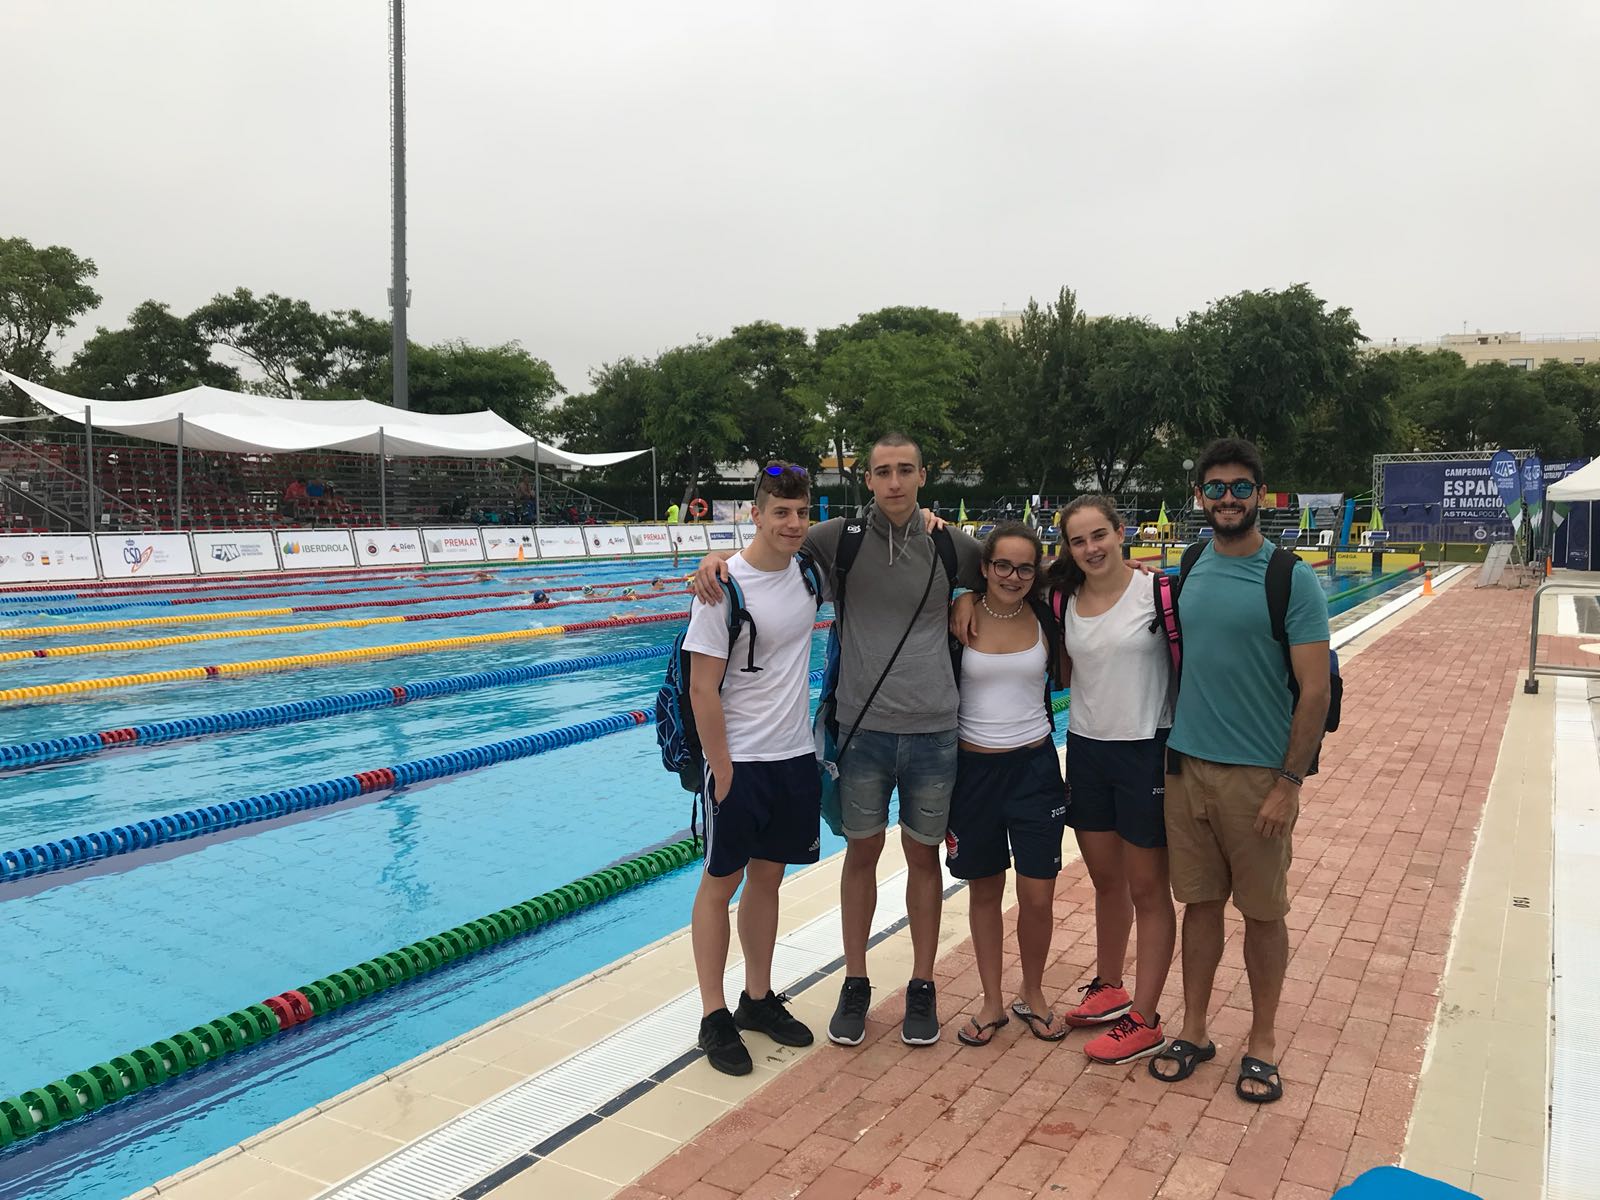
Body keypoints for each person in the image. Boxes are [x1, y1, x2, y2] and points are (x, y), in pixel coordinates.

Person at [692, 433, 984, 1047]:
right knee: (859, 855)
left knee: (922, 857)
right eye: (883, 471)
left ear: (923, 475)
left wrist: (969, 593)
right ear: (867, 480)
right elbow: (761, 555)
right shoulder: (836, 540)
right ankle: (853, 984)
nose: (895, 481)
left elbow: (1012, 567)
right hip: (857, 733)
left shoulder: (949, 541)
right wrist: (711, 560)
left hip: (929, 731)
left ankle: (921, 985)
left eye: (906, 470)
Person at [1150, 438, 1331, 1104]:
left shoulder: (1290, 577)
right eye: (1216, 488)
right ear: (1199, 496)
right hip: (1187, 768)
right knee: (1199, 906)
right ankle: (1194, 1029)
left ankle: (1263, 1041)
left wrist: (1289, 783)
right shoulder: (1190, 564)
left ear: (1260, 494)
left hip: (1258, 778)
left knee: (1262, 913)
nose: (1228, 499)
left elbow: (1315, 692)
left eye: (1240, 487)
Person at [684, 462, 821, 1075]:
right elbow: (701, 687)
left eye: (801, 512)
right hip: (740, 764)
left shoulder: (810, 572)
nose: (792, 523)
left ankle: (757, 999)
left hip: (794, 757)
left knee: (768, 880)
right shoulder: (722, 588)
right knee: (721, 883)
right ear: (757, 514)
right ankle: (713, 1016)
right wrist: (722, 767)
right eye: (780, 512)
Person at [1051, 495, 1177, 1064]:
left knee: (1148, 888)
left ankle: (1145, 1019)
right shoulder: (1064, 597)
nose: (1091, 548)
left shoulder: (1158, 593)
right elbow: (999, 570)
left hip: (1146, 748)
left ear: (1121, 531)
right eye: (1078, 541)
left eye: (1099, 535)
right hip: (1086, 748)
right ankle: (1110, 986)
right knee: (1107, 880)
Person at [942, 522, 1069, 1047]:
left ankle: (1032, 992)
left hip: (1034, 770)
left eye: (1024, 568)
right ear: (985, 567)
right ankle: (991, 1002)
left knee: (1037, 895)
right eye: (1002, 566)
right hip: (972, 775)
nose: (1012, 577)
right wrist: (960, 595)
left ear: (1036, 573)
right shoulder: (959, 616)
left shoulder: (1047, 616)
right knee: (984, 892)